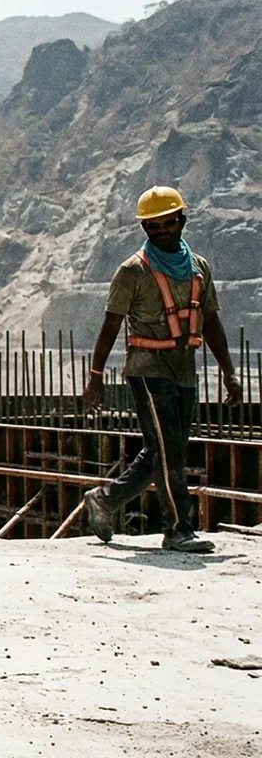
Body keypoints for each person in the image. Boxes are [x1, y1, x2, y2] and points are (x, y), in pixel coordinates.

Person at [81, 186, 242, 553]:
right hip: (148, 369)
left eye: (168, 222)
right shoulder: (132, 271)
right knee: (169, 450)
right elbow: (110, 325)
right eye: (153, 226)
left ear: (182, 220)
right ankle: (178, 529)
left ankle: (103, 499)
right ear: (145, 230)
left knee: (163, 450)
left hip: (184, 369)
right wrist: (95, 377)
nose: (161, 231)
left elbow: (211, 322)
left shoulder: (199, 268)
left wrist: (229, 372)